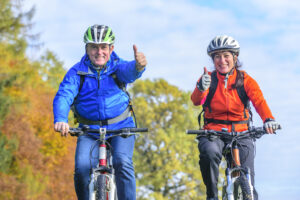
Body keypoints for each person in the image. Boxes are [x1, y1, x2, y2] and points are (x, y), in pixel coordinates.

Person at [53, 24, 147, 200]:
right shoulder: (76, 73)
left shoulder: (117, 67)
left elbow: (130, 72)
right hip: (89, 131)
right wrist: (60, 118)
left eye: (103, 47)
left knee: (122, 162)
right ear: (87, 49)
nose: (99, 52)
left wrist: (138, 67)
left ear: (111, 49)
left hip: (121, 128)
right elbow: (64, 95)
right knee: (81, 168)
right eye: (94, 47)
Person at [191, 35, 280, 200]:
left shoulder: (245, 79)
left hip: (242, 132)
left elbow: (259, 100)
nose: (222, 60)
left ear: (234, 57)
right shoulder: (207, 79)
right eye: (217, 56)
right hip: (213, 132)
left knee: (249, 183)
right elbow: (196, 101)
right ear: (213, 59)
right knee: (209, 153)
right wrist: (201, 87)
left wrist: (268, 119)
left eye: (226, 56)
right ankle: (212, 195)